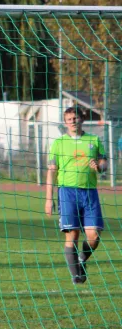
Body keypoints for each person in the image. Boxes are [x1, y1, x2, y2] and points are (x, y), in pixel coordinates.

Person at [45, 107, 107, 285]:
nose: (73, 121)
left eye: (76, 118)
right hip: (67, 192)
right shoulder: (59, 143)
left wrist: (100, 167)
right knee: (72, 234)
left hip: (89, 192)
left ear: (82, 120)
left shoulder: (94, 140)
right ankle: (77, 277)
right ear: (65, 122)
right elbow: (51, 171)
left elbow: (104, 164)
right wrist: (49, 199)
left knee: (94, 236)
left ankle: (81, 259)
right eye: (69, 119)